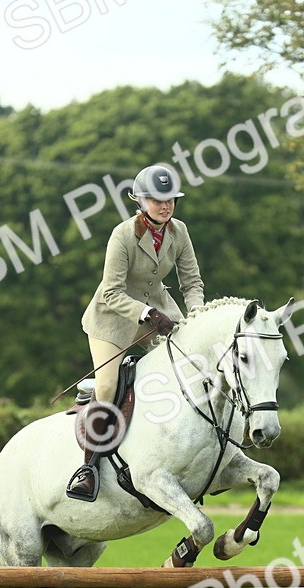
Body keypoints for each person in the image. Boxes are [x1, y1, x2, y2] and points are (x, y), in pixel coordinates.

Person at [66, 164, 205, 502]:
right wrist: (146, 312)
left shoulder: (180, 231)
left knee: (194, 366)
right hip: (112, 320)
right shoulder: (122, 235)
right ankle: (89, 467)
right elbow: (111, 291)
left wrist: (198, 316)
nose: (165, 206)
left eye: (170, 199)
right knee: (109, 384)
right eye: (158, 200)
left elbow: (192, 282)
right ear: (140, 200)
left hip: (160, 313)